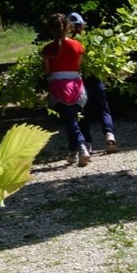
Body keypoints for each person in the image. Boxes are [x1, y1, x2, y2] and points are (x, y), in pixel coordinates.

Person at [41, 11, 90, 166]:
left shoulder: (48, 49)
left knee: (69, 121)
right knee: (72, 119)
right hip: (76, 86)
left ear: (51, 29)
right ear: (68, 27)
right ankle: (73, 152)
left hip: (58, 87)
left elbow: (48, 71)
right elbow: (78, 67)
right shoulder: (78, 46)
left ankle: (82, 147)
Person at [68, 11, 119, 154]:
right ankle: (109, 135)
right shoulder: (93, 41)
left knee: (82, 113)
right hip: (95, 81)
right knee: (103, 109)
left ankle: (88, 144)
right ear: (82, 26)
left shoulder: (67, 44)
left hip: (79, 83)